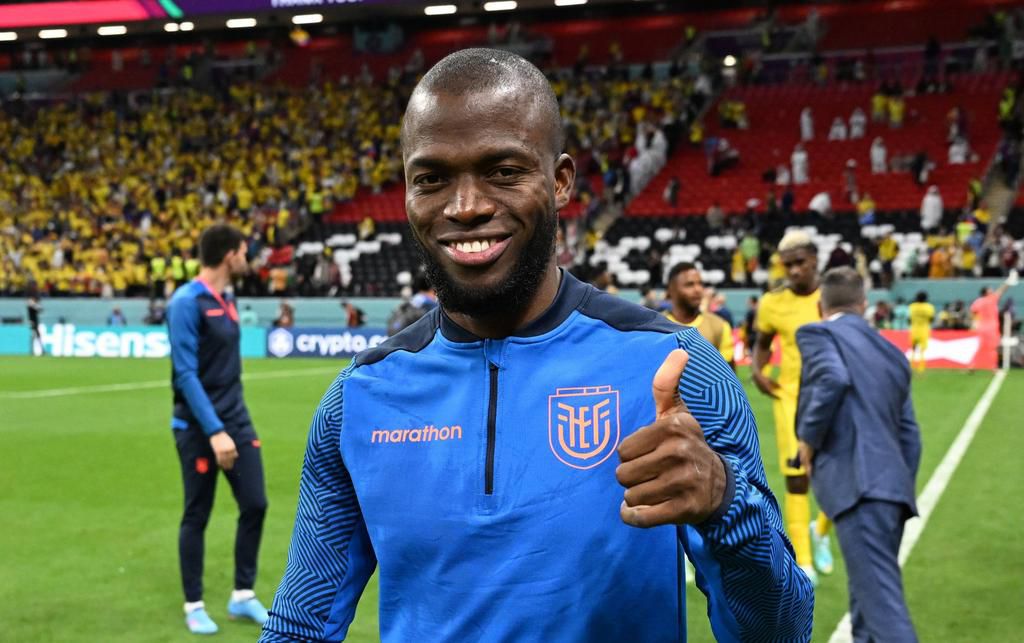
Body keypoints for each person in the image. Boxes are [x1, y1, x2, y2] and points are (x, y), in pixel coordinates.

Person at [261, 48, 813, 643]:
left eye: (503, 171)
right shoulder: (358, 400)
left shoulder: (675, 366)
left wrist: (730, 505)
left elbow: (784, 630)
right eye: (432, 178)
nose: (466, 206)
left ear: (560, 182)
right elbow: (300, 627)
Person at [795, 267, 921, 643]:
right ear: (864, 305)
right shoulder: (893, 353)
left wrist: (808, 439)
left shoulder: (817, 332)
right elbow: (911, 436)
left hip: (859, 488)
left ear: (821, 305)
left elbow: (833, 378)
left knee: (884, 614)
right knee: (865, 608)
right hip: (892, 492)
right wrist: (897, 487)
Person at [166, 224, 270, 635]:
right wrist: (214, 431)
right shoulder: (185, 302)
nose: (249, 258)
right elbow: (186, 374)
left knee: (256, 503)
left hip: (236, 420)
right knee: (198, 512)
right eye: (245, 251)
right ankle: (194, 604)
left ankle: (242, 595)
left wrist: (230, 425)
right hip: (197, 428)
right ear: (230, 255)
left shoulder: (226, 298)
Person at [752, 230, 833, 585]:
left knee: (836, 474)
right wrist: (758, 371)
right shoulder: (773, 303)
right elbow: (762, 343)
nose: (794, 271)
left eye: (800, 263)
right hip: (791, 399)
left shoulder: (833, 295)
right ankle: (803, 557)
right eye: (788, 265)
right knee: (798, 479)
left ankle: (821, 530)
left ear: (815, 259)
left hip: (833, 397)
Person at [664, 262, 735, 368]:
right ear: (671, 290)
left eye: (700, 284)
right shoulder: (656, 327)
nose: (698, 289)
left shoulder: (719, 326)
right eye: (689, 284)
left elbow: (729, 377)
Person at [970, 271, 1019, 366]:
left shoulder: (978, 301)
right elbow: (1002, 290)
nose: (992, 290)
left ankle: (972, 365)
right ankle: (993, 366)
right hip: (991, 327)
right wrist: (1008, 281)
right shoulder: (991, 298)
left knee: (981, 346)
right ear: (986, 292)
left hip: (981, 327)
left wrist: (974, 322)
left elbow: (973, 312)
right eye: (990, 289)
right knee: (993, 347)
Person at [908, 291, 935, 372]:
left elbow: (909, 319)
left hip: (914, 329)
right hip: (924, 330)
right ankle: (921, 367)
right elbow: (931, 319)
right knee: (922, 350)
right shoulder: (929, 307)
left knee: (913, 348)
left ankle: (911, 366)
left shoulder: (912, 306)